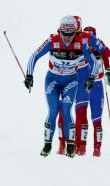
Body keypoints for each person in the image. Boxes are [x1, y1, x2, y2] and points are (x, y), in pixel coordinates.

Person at [24, 16, 97, 157]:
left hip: (71, 81)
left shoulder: (81, 44)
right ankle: (47, 145)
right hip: (52, 80)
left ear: (75, 32)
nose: (67, 37)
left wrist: (91, 77)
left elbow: (94, 62)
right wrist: (29, 75)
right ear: (59, 31)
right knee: (53, 111)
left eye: (71, 34)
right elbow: (34, 56)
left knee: (66, 110)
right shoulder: (52, 41)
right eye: (64, 34)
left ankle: (70, 145)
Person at [57, 19, 110, 157]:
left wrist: (108, 69)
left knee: (96, 117)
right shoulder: (76, 44)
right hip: (79, 81)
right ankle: (72, 144)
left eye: (89, 36)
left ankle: (95, 148)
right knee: (71, 112)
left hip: (97, 83)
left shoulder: (94, 42)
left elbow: (107, 53)